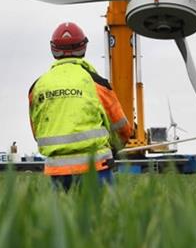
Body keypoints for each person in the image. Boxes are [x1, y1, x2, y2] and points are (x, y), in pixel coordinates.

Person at [28, 22, 132, 192]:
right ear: (83, 47)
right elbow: (122, 127)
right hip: (96, 168)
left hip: (57, 172)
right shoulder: (96, 83)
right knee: (103, 216)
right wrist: (115, 147)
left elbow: (36, 131)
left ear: (54, 49)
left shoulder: (37, 86)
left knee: (62, 218)